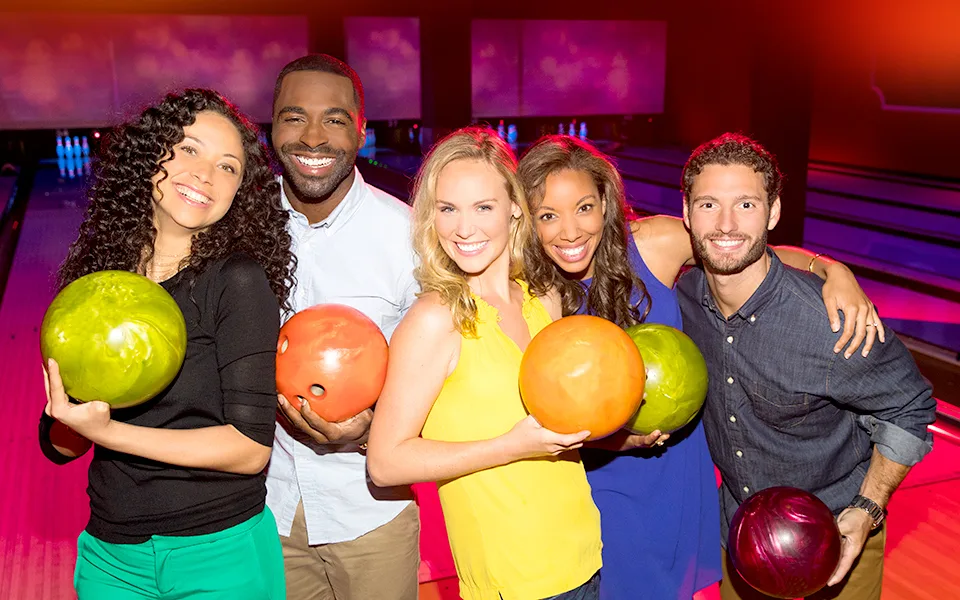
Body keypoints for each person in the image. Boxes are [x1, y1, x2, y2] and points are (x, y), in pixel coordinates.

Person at [517, 135, 884, 600]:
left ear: (606, 204)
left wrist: (831, 270)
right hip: (597, 476)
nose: (569, 231)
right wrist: (617, 440)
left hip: (674, 467)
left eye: (584, 208)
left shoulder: (655, 244)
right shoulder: (527, 292)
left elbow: (741, 251)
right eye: (548, 215)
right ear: (527, 220)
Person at [39, 88, 294, 599]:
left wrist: (109, 432)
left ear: (239, 192)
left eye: (229, 167)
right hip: (112, 556)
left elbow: (249, 449)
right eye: (189, 149)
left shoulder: (237, 282)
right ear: (154, 152)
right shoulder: (101, 280)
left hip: (220, 553)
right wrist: (69, 418)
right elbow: (59, 444)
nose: (205, 174)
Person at [675, 132, 936, 600]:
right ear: (687, 213)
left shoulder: (832, 323)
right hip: (739, 537)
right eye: (709, 204)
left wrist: (867, 508)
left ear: (773, 212)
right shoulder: (684, 299)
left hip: (838, 535)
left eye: (747, 205)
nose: (727, 223)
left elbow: (911, 408)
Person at [366, 127, 603, 600]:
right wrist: (510, 446)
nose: (463, 228)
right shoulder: (436, 318)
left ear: (515, 207)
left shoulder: (544, 298)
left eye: (483, 207)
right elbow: (385, 462)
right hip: (512, 578)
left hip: (584, 552)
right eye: (447, 209)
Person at [264, 54, 421, 600]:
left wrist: (371, 431)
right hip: (266, 511)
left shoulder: (407, 237)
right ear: (272, 126)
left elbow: (441, 378)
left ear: (360, 129)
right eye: (293, 116)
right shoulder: (238, 229)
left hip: (369, 513)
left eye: (333, 118)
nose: (312, 136)